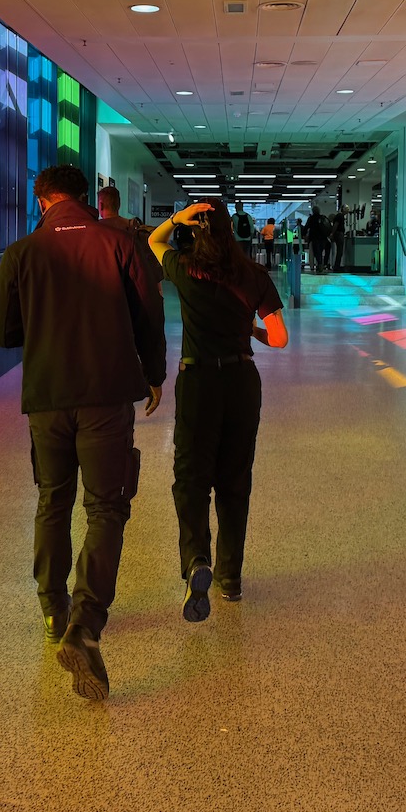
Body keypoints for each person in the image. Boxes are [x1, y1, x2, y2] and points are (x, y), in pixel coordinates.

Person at [0, 165, 166, 701]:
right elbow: (148, 314)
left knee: (52, 499)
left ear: (42, 200)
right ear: (85, 199)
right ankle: (86, 624)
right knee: (106, 508)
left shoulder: (21, 253)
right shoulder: (118, 243)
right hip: (106, 397)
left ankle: (52, 610)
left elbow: (4, 332)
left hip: (47, 398)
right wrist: (153, 374)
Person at [149, 200, 288, 620]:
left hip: (198, 382)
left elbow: (155, 240)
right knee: (234, 482)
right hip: (242, 382)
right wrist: (252, 331)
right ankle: (231, 579)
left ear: (197, 232)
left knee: (190, 480)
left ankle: (196, 562)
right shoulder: (254, 275)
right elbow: (280, 339)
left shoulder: (185, 267)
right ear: (233, 231)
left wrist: (178, 218)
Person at [99, 185, 163, 289]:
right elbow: (154, 273)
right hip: (134, 290)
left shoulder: (95, 230)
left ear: (101, 205)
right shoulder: (135, 229)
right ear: (118, 205)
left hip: (105, 290)